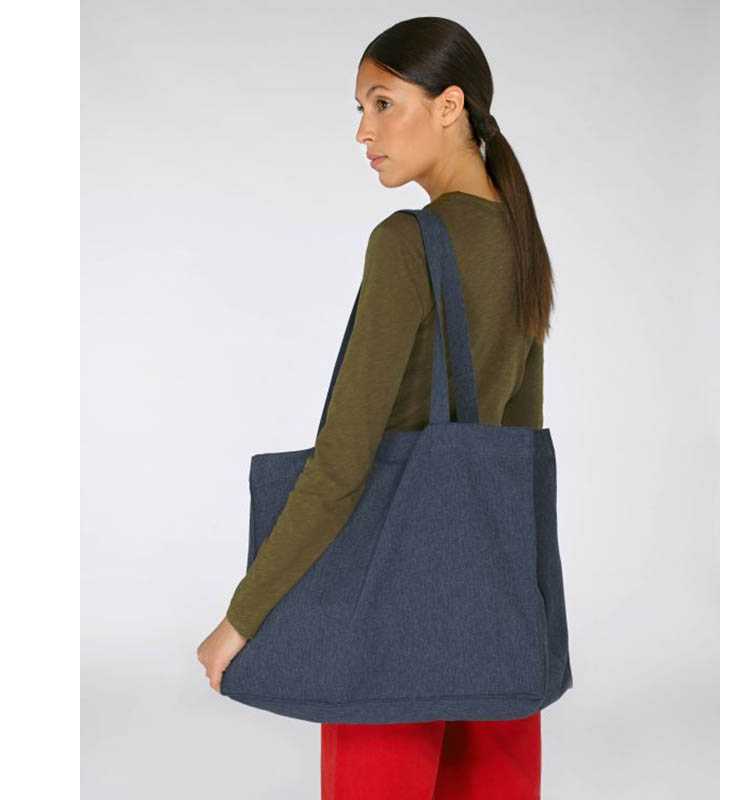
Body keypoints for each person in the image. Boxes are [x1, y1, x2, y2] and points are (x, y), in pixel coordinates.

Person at [197, 15, 555, 800]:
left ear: (450, 106)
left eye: (383, 103)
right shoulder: (522, 241)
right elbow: (515, 451)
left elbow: (342, 462)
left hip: (389, 625)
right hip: (494, 622)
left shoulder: (408, 243)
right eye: (361, 109)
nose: (364, 131)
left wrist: (242, 618)